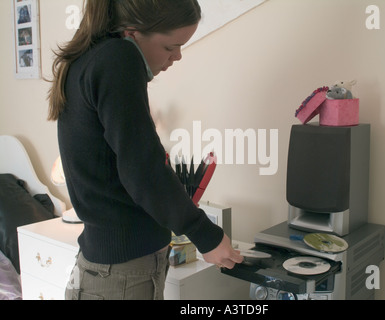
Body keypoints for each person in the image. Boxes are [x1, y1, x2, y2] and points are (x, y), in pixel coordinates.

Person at [47, 0, 243, 300]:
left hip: (105, 266)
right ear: (133, 33)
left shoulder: (90, 58)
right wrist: (206, 235)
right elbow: (143, 168)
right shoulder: (117, 57)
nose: (177, 56)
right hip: (122, 274)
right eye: (170, 47)